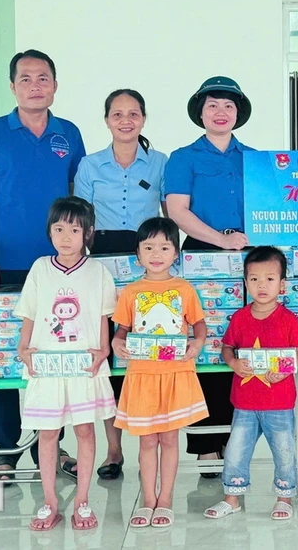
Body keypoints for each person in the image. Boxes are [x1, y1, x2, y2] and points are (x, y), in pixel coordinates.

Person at [0, 49, 85, 480]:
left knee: (56, 352)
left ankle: (51, 447)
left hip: (61, 263)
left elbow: (77, 200)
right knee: (6, 353)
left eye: (43, 77)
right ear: (12, 85)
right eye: (26, 78)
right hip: (8, 264)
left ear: (55, 84)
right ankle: (5, 449)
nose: (35, 85)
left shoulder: (68, 134)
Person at [74, 88, 167, 480]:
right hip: (102, 259)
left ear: (143, 119)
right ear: (107, 120)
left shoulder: (160, 162)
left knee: (147, 351)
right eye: (117, 114)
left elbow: (169, 215)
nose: (125, 120)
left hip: (147, 258)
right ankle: (114, 451)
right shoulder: (89, 164)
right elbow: (81, 220)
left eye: (133, 113)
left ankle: (157, 437)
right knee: (108, 354)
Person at [164, 76, 256, 471]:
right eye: (213, 105)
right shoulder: (183, 157)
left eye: (229, 106)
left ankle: (238, 438)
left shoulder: (253, 158)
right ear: (200, 112)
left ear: (238, 114)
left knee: (242, 342)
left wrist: (250, 238)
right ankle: (205, 444)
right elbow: (177, 211)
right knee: (203, 343)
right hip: (203, 257)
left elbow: (271, 207)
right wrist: (221, 240)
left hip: (250, 258)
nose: (221, 112)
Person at [14, 197, 117, 531]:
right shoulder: (40, 267)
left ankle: (83, 500)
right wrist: (23, 347)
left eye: (74, 229)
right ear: (50, 231)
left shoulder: (97, 271)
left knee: (85, 430)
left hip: (84, 365)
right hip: (47, 366)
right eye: (59, 229)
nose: (66, 236)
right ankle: (50, 502)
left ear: (87, 232)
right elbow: (29, 312)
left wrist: (103, 351)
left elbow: (104, 316)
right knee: (47, 433)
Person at [111, 217, 208, 528]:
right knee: (146, 441)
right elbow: (122, 328)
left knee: (168, 438)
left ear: (175, 254)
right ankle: (147, 499)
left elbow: (199, 323)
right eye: (148, 247)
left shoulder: (184, 289)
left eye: (164, 247)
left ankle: (165, 498)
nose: (156, 253)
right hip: (141, 376)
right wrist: (116, 341)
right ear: (137, 254)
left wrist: (198, 342)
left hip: (175, 373)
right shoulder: (130, 292)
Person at [203, 247, 298, 521]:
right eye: (255, 279)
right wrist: (234, 364)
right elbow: (227, 348)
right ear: (245, 283)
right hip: (245, 403)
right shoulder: (239, 318)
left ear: (282, 284)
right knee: (236, 451)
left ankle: (284, 498)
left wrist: (285, 371)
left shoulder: (287, 319)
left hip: (279, 403)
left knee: (284, 452)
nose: (262, 285)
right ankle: (232, 498)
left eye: (270, 279)